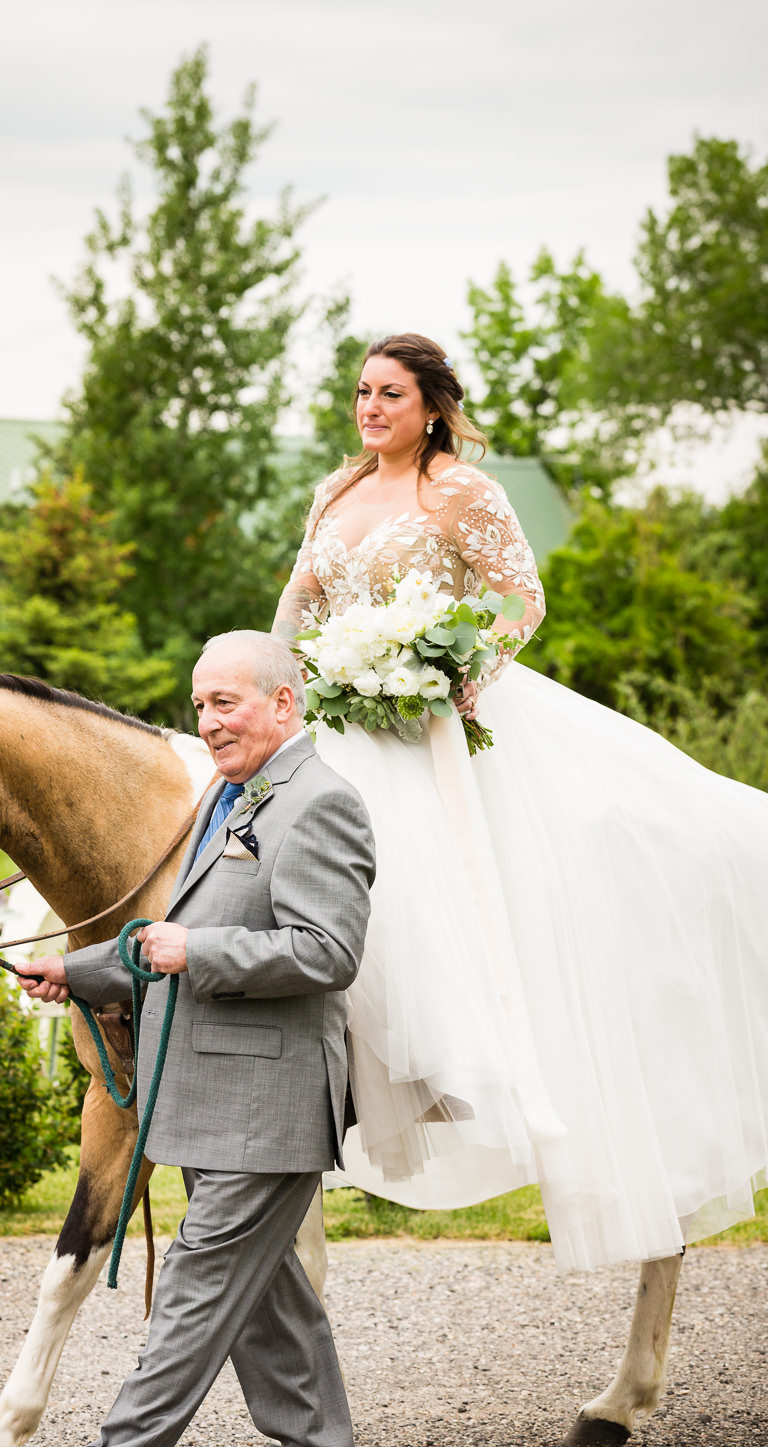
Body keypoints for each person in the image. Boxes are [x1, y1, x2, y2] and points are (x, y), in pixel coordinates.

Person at [272, 331, 768, 1273]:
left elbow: (520, 598)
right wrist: (274, 677)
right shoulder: (334, 494)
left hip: (442, 718)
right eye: (362, 393)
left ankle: (471, 1073)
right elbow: (297, 601)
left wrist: (454, 671)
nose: (370, 408)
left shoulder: (460, 490)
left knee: (484, 883)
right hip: (344, 718)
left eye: (388, 394)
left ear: (431, 406)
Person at [0, 630, 375, 1447]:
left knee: (191, 1301)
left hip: (267, 1104)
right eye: (199, 704)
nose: (208, 720)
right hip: (207, 1098)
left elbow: (326, 952)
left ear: (284, 702)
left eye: (224, 702)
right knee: (274, 1308)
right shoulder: (228, 799)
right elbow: (160, 946)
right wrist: (74, 971)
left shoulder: (321, 804)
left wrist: (199, 950)